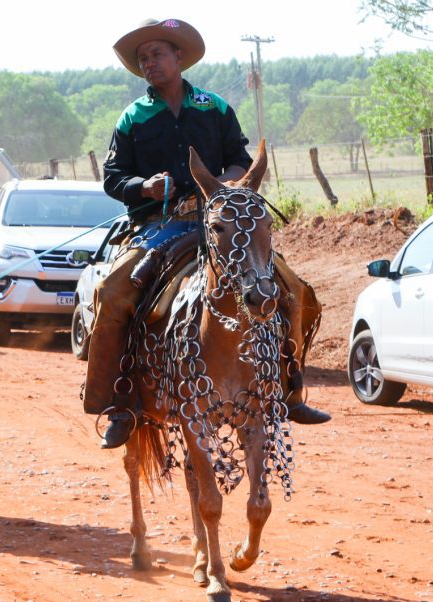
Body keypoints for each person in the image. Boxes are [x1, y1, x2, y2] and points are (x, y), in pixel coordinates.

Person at [86, 19, 330, 449]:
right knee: (113, 292)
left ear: (178, 57)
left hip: (225, 223)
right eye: (142, 59)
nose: (149, 64)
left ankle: (290, 389)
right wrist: (143, 186)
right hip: (160, 226)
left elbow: (240, 160)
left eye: (156, 54)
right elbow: (112, 178)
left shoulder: (214, 107)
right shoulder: (132, 117)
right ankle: (117, 400)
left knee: (292, 289)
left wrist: (223, 187)